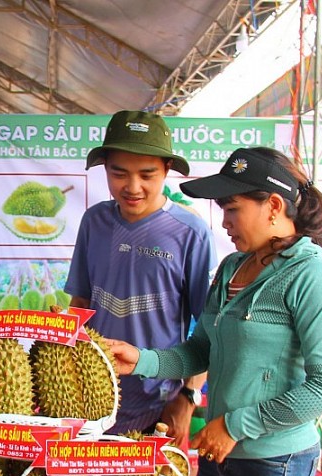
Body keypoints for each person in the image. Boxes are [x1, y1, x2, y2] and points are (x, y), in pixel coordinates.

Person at [107, 146, 322, 476]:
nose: (225, 223)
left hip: (274, 462)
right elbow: (201, 350)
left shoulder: (311, 278)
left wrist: (236, 426)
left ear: (273, 206)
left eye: (233, 209)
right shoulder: (234, 268)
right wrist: (142, 359)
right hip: (222, 455)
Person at [64, 109, 215, 443]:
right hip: (91, 398)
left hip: (157, 404)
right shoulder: (94, 222)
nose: (133, 187)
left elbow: (209, 327)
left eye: (147, 174)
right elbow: (81, 303)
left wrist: (188, 398)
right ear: (105, 169)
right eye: (119, 173)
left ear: (167, 170)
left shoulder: (190, 233)